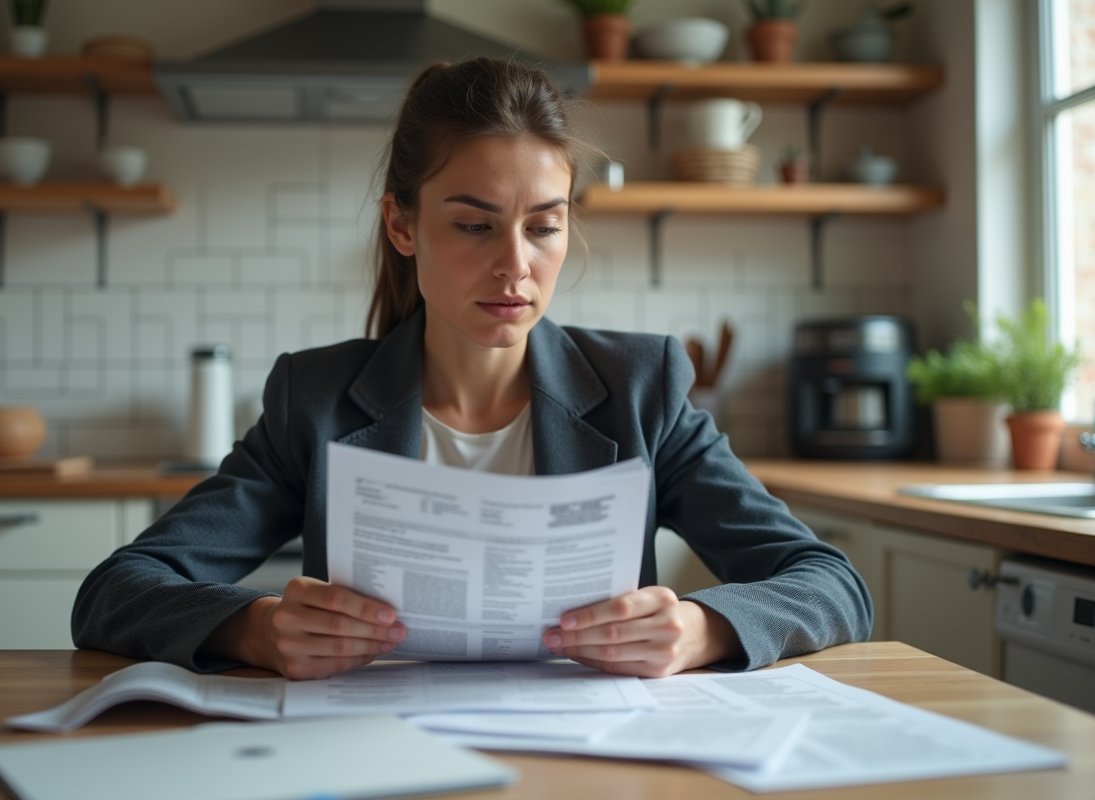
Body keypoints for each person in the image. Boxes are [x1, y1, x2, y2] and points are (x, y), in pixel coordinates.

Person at [73, 57, 871, 681]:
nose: (515, 268)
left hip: (594, 765)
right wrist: (253, 626)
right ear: (403, 223)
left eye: (544, 227)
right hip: (368, 755)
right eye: (474, 225)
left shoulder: (640, 391)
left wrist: (703, 628)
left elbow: (831, 583)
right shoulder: (312, 402)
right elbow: (116, 590)